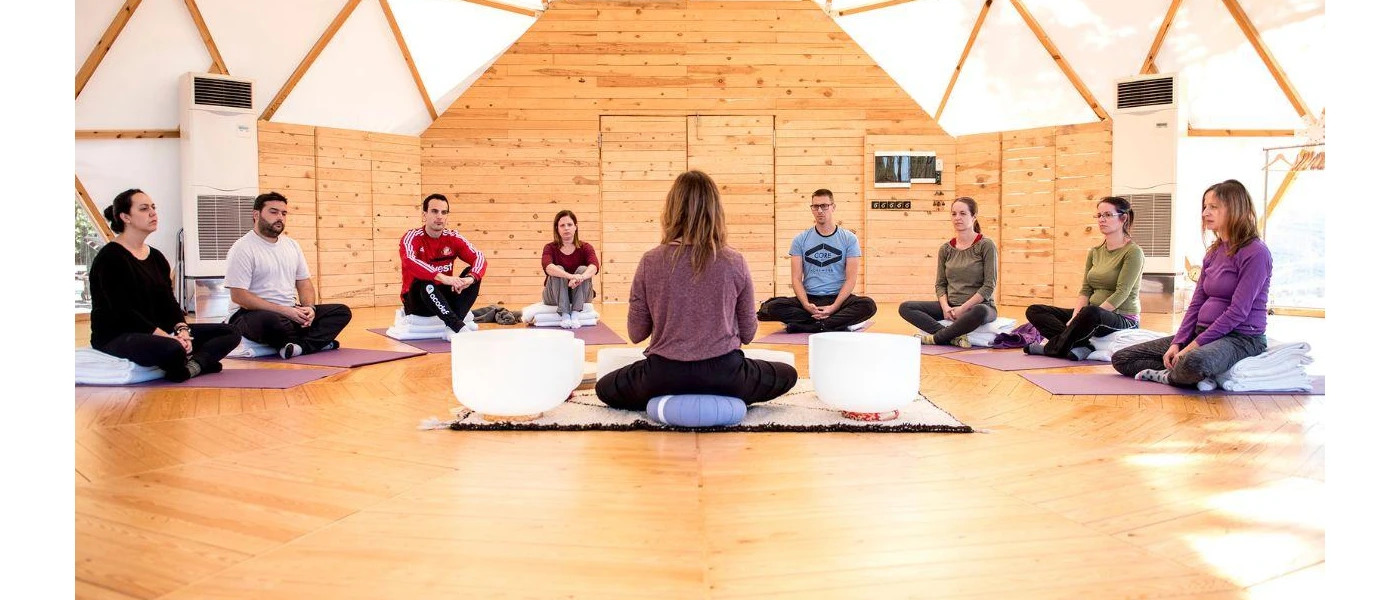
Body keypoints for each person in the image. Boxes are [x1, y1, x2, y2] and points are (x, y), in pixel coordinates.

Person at [595, 171, 798, 411]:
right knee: (787, 374)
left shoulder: (650, 261)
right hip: (725, 375)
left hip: (664, 375)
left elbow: (636, 333)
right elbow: (749, 333)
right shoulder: (735, 261)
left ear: (671, 210)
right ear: (716, 211)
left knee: (604, 387)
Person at [1112, 179, 1272, 387]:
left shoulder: (1256, 253)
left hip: (1240, 338)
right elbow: (1196, 303)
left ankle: (1175, 374)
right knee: (1122, 359)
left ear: (1235, 209)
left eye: (1214, 207)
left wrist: (1192, 347)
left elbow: (1238, 312)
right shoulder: (1214, 251)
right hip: (1202, 332)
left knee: (1194, 361)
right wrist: (1178, 342)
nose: (1205, 212)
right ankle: (1184, 374)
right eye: (1205, 206)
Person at [88, 189, 240, 381]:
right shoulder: (110, 258)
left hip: (159, 331)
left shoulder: (157, 257)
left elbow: (168, 302)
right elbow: (123, 312)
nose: (153, 213)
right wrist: (167, 337)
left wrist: (182, 330)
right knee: (172, 349)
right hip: (118, 334)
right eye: (144, 209)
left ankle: (193, 366)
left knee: (231, 331)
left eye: (153, 207)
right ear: (125, 217)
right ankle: (200, 361)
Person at [226, 192, 352, 359]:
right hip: (251, 315)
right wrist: (285, 311)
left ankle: (299, 347)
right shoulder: (242, 248)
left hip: (290, 313)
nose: (280, 217)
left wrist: (309, 308)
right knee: (274, 323)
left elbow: (304, 282)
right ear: (256, 214)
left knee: (341, 312)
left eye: (284, 213)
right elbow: (239, 296)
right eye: (274, 212)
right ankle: (317, 343)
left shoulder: (292, 245)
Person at [1024, 197, 1144, 359]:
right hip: (1090, 315)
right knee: (1035, 310)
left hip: (1122, 317)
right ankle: (1082, 346)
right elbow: (1086, 290)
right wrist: (1075, 317)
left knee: (1091, 312)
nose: (1102, 219)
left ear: (1123, 218)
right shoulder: (1095, 252)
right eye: (1099, 215)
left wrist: (1083, 318)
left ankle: (1051, 349)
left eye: (1108, 215)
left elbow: (1122, 292)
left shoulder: (1133, 252)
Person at [756, 189, 877, 333]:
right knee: (771, 307)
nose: (820, 210)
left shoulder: (849, 239)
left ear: (833, 207)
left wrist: (834, 306)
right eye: (815, 206)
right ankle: (833, 323)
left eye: (824, 206)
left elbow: (851, 279)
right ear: (812, 209)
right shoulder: (800, 239)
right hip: (810, 299)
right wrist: (806, 304)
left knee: (868, 305)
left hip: (838, 298)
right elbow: (796, 279)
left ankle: (813, 326)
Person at [897, 196, 999, 347]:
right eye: (954, 214)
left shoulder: (986, 245)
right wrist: (945, 308)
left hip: (979, 306)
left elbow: (989, 285)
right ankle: (951, 335)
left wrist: (963, 309)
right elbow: (940, 284)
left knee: (980, 311)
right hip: (951, 305)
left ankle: (937, 338)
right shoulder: (945, 249)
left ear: (974, 216)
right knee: (906, 307)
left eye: (963, 214)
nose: (957, 218)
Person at [399, 193, 488, 335]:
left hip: (443, 295)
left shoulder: (453, 237)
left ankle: (452, 325)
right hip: (417, 300)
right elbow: (409, 261)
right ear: (424, 215)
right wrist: (442, 277)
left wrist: (469, 279)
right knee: (425, 282)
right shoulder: (412, 237)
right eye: (434, 211)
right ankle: (457, 327)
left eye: (444, 212)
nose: (439, 216)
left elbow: (480, 258)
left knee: (473, 274)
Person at [541, 209, 599, 329]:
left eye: (569, 224)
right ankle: (565, 314)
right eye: (562, 225)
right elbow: (548, 267)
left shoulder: (586, 247)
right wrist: (571, 276)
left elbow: (594, 266)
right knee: (557, 269)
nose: (566, 228)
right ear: (557, 228)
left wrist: (580, 277)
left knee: (583, 269)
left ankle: (575, 314)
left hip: (581, 294)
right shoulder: (550, 247)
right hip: (553, 295)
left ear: (575, 227)